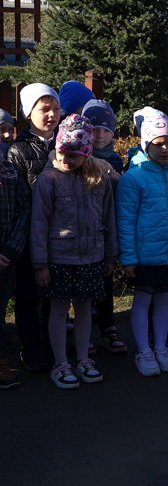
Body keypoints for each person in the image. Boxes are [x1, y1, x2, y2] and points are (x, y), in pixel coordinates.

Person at [31, 115, 118, 389]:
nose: (66, 160)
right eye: (62, 153)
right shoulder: (48, 180)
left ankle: (83, 359)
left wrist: (110, 255)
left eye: (74, 155)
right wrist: (40, 263)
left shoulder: (99, 179)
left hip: (91, 257)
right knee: (58, 309)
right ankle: (60, 362)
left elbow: (108, 218)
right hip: (58, 258)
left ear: (87, 153)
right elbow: (39, 222)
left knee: (83, 309)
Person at [116, 110, 168, 377]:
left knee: (165, 299)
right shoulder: (133, 177)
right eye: (158, 144)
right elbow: (125, 222)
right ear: (146, 144)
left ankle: (161, 347)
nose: (165, 149)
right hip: (144, 255)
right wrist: (128, 258)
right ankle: (143, 350)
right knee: (142, 300)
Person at [9, 83, 61, 374]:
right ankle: (31, 348)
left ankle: (53, 346)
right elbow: (19, 199)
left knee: (55, 296)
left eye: (55, 108)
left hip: (61, 234)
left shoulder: (64, 142)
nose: (52, 114)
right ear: (29, 114)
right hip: (31, 236)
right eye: (44, 109)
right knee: (29, 295)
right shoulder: (19, 150)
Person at [82, 99, 127, 354]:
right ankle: (84, 332)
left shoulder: (117, 161)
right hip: (83, 233)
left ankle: (107, 327)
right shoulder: (76, 157)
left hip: (107, 232)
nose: (99, 135)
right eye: (94, 129)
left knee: (105, 283)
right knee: (83, 288)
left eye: (105, 130)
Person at [0, 137, 30, 389]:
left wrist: (10, 249)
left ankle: (2, 361)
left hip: (6, 257)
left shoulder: (10, 172)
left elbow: (24, 211)